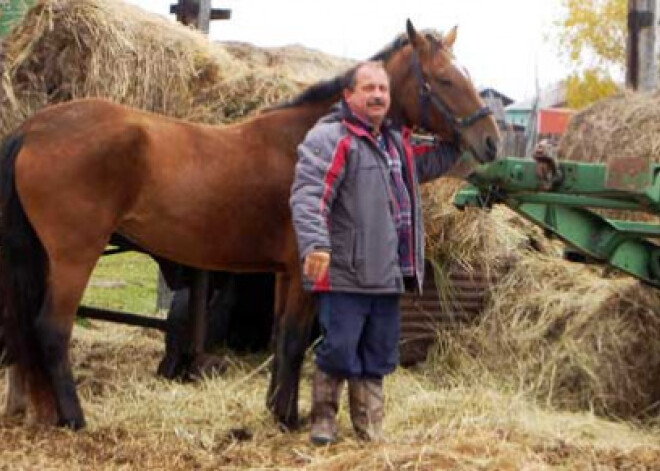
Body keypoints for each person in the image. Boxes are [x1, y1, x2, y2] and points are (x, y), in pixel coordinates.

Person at [289, 61, 463, 445]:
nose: (377, 95)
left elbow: (434, 161)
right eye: (368, 88)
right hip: (346, 272)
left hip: (388, 273)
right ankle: (324, 422)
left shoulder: (396, 143)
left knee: (379, 353)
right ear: (348, 96)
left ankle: (369, 428)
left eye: (383, 89)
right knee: (338, 349)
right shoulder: (332, 138)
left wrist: (462, 133)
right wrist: (316, 243)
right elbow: (309, 194)